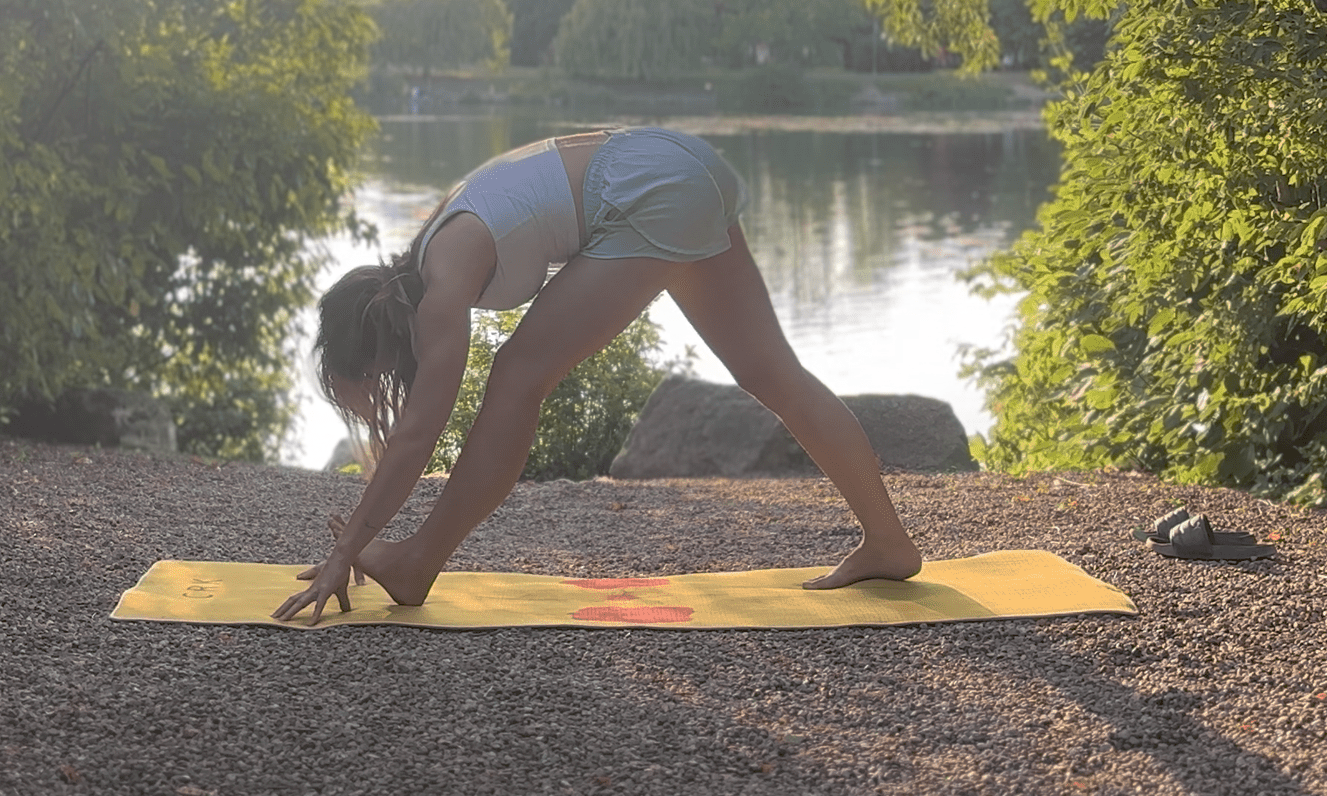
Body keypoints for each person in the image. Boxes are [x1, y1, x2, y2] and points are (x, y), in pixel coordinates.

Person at [275, 127, 921, 624]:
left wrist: (345, 550)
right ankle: (889, 544)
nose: (382, 392)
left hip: (648, 187)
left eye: (370, 380)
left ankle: (417, 562)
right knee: (774, 375)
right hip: (678, 166)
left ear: (376, 343)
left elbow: (419, 435)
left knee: (517, 375)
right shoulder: (435, 245)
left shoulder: (441, 282)